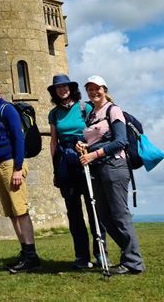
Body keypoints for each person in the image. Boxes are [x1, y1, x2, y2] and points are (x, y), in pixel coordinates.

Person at [77, 75, 145, 275]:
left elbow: (120, 141)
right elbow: (97, 138)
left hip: (115, 166)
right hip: (98, 169)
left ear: (104, 89)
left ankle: (133, 262)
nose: (93, 92)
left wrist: (93, 154)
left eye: (97, 88)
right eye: (90, 89)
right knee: (105, 216)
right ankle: (130, 255)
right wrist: (83, 145)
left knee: (120, 215)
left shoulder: (113, 110)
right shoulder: (92, 115)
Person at [48, 73, 108, 269]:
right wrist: (55, 169)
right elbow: (53, 142)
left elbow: (97, 133)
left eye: (65, 86)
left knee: (94, 208)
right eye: (58, 87)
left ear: (71, 88)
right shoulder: (54, 114)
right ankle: (82, 257)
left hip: (85, 158)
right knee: (73, 212)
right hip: (65, 162)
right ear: (55, 91)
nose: (62, 89)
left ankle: (101, 254)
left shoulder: (85, 108)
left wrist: (87, 147)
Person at [0, 76, 41, 274]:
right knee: (11, 213)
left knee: (20, 210)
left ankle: (32, 256)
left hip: (11, 163)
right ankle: (25, 252)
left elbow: (18, 139)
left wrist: (17, 168)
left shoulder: (7, 110)